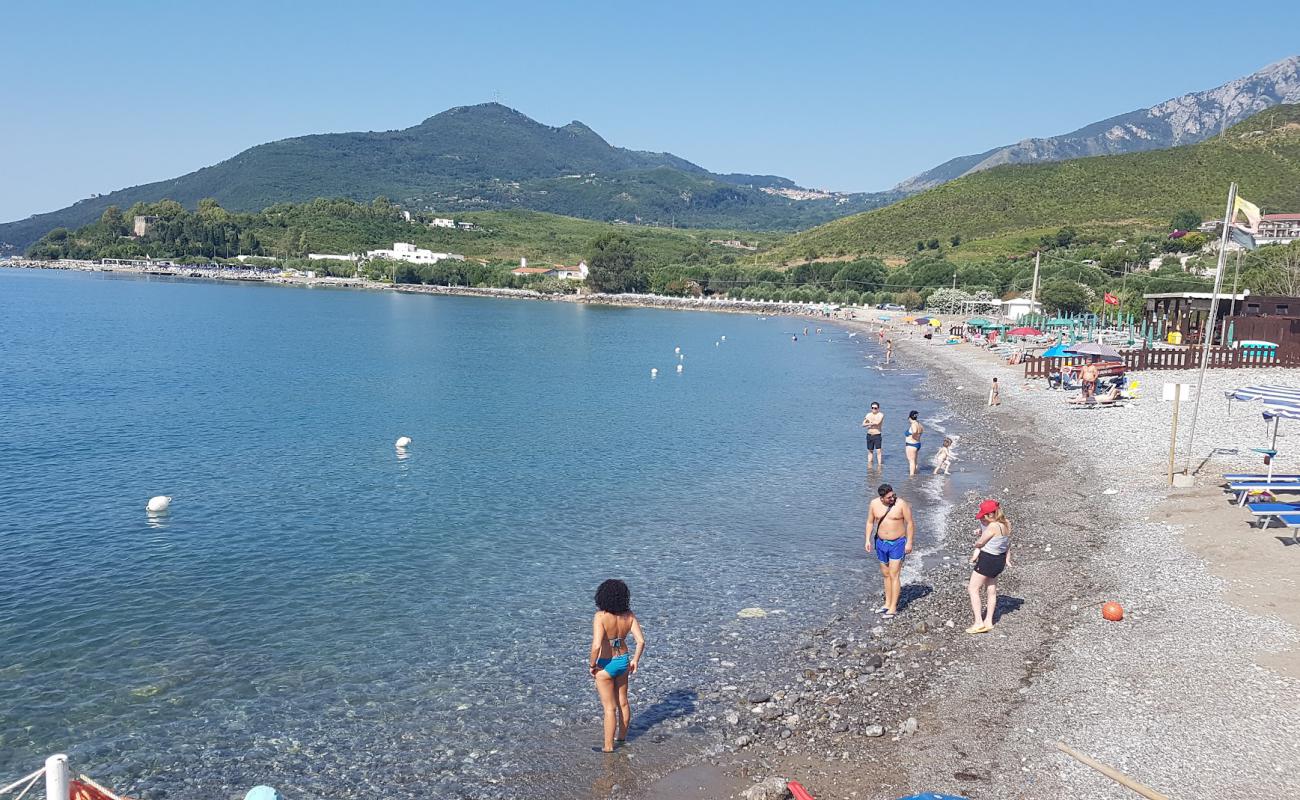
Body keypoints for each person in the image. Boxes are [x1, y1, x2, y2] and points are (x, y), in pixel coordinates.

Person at [588, 579, 646, 752]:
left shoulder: (600, 617)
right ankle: (621, 738)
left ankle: (608, 747)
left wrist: (592, 665)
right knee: (623, 702)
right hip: (623, 661)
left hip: (605, 664)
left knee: (609, 708)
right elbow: (641, 641)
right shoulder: (629, 616)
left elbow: (597, 645)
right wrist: (635, 660)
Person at [866, 483, 914, 620]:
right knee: (886, 574)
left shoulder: (901, 504)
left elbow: (910, 523)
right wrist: (867, 540)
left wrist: (909, 542)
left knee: (894, 574)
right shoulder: (874, 504)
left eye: (893, 495)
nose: (892, 498)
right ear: (882, 498)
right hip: (881, 543)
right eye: (889, 497)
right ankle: (887, 603)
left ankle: (893, 607)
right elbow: (870, 522)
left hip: (897, 543)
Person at [967, 499, 1011, 634]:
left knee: (973, 588)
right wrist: (1008, 558)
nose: (984, 519)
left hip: (988, 559)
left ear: (991, 515)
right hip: (1000, 559)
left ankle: (979, 622)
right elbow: (1005, 542)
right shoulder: (1007, 523)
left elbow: (980, 542)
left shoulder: (992, 527)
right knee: (991, 590)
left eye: (985, 516)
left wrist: (977, 545)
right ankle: (989, 621)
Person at [861, 402, 884, 470]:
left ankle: (879, 466)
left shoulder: (880, 415)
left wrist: (869, 423)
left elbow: (877, 422)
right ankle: (869, 467)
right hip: (869, 435)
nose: (874, 409)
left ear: (878, 408)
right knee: (870, 451)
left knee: (878, 451)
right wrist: (870, 423)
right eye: (872, 408)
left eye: (875, 408)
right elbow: (863, 424)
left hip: (877, 435)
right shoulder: (868, 415)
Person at [903, 410, 923, 475]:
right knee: (915, 461)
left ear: (909, 417)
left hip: (911, 445)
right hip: (917, 444)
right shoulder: (919, 424)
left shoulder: (913, 424)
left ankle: (911, 477)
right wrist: (917, 437)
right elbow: (922, 430)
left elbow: (914, 431)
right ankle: (915, 473)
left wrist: (913, 436)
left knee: (911, 461)